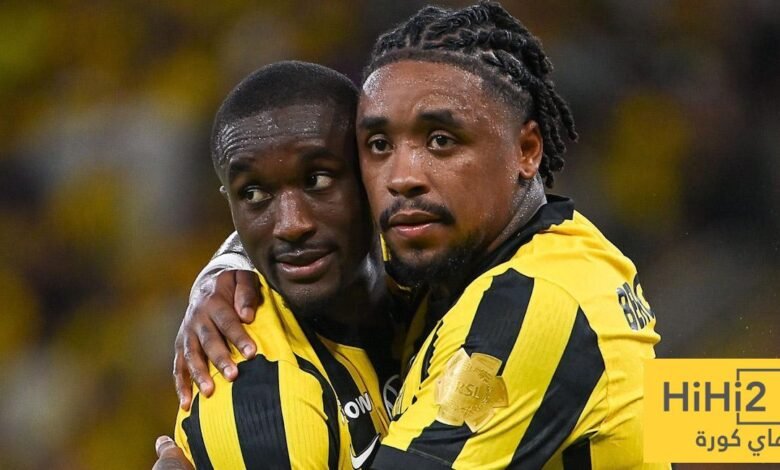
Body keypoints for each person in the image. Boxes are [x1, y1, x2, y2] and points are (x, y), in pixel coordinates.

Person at [165, 2, 667, 468]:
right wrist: (229, 263)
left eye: (441, 140)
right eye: (379, 145)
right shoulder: (484, 255)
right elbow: (683, 418)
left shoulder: (535, 301)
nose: (402, 176)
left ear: (527, 150)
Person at [168, 61, 403, 469]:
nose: (292, 225)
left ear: (370, 171)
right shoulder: (260, 395)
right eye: (254, 194)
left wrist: (226, 261)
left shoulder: (430, 267)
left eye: (317, 180)